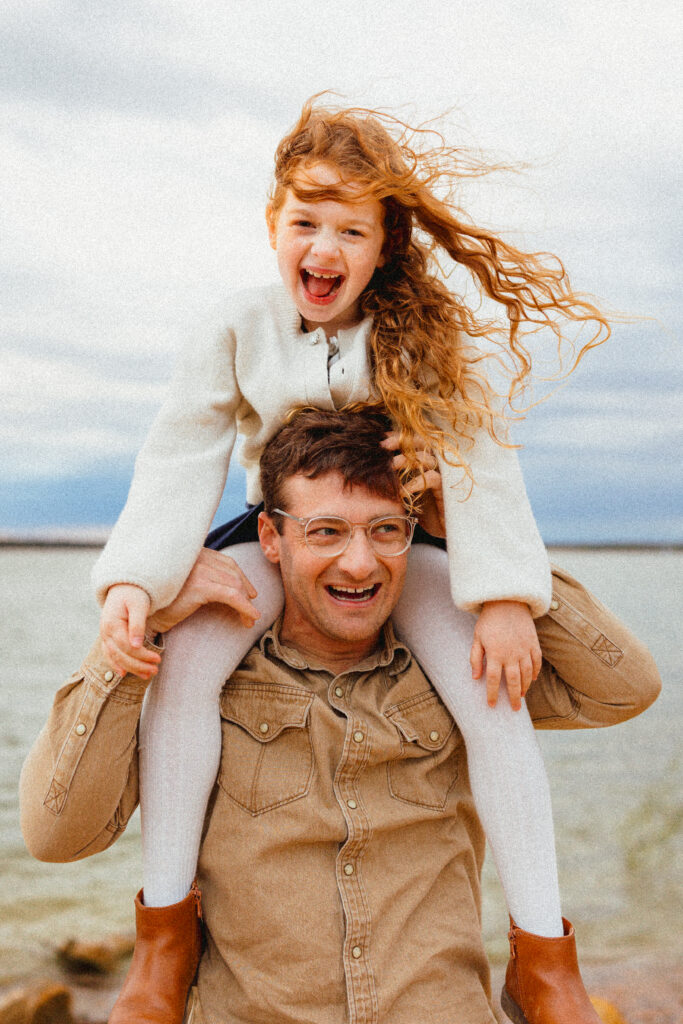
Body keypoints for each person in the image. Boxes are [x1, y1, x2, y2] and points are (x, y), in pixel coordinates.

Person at [86, 96, 619, 1022]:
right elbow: (179, 450)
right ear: (272, 225)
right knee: (188, 666)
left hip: (405, 540)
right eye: (305, 222)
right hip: (284, 539)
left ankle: (542, 957)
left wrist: (502, 598)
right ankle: (164, 938)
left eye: (350, 230)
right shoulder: (236, 324)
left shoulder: (421, 333)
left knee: (492, 699)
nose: (323, 248)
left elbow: (481, 457)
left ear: (383, 245)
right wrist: (136, 579)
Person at [20, 408, 661, 1024]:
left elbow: (623, 687)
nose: (359, 562)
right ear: (269, 539)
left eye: (385, 529)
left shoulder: (463, 666)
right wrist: (137, 631)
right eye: (325, 531)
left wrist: (481, 545)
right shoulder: (201, 681)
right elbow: (57, 835)